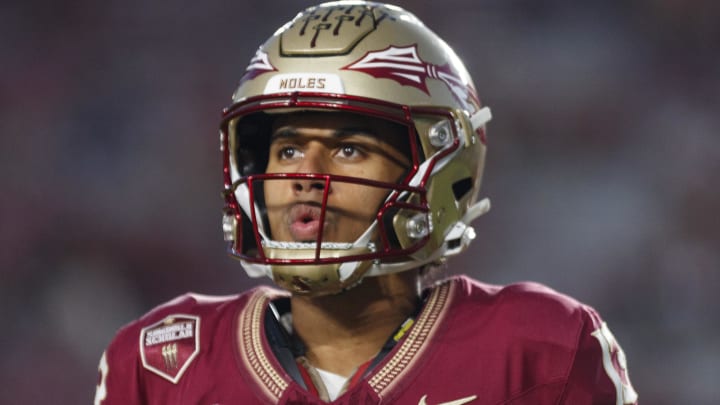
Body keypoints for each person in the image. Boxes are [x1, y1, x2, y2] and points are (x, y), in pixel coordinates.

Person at [94, 2, 638, 404]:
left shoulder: (538, 350)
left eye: (349, 148)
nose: (306, 174)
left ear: (437, 169)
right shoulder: (162, 363)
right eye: (287, 148)